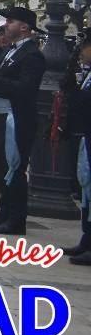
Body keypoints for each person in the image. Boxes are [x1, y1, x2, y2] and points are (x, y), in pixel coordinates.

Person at [0, 6, 45, 235]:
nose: (6, 25)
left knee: (15, 168)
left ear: (24, 27)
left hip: (16, 117)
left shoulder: (32, 54)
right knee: (2, 166)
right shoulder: (9, 50)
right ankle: (5, 211)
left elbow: (25, 88)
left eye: (11, 21)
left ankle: (16, 219)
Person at [62, 36, 91, 264]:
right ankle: (86, 238)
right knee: (86, 191)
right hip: (84, 134)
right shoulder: (87, 73)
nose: (81, 51)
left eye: (85, 47)